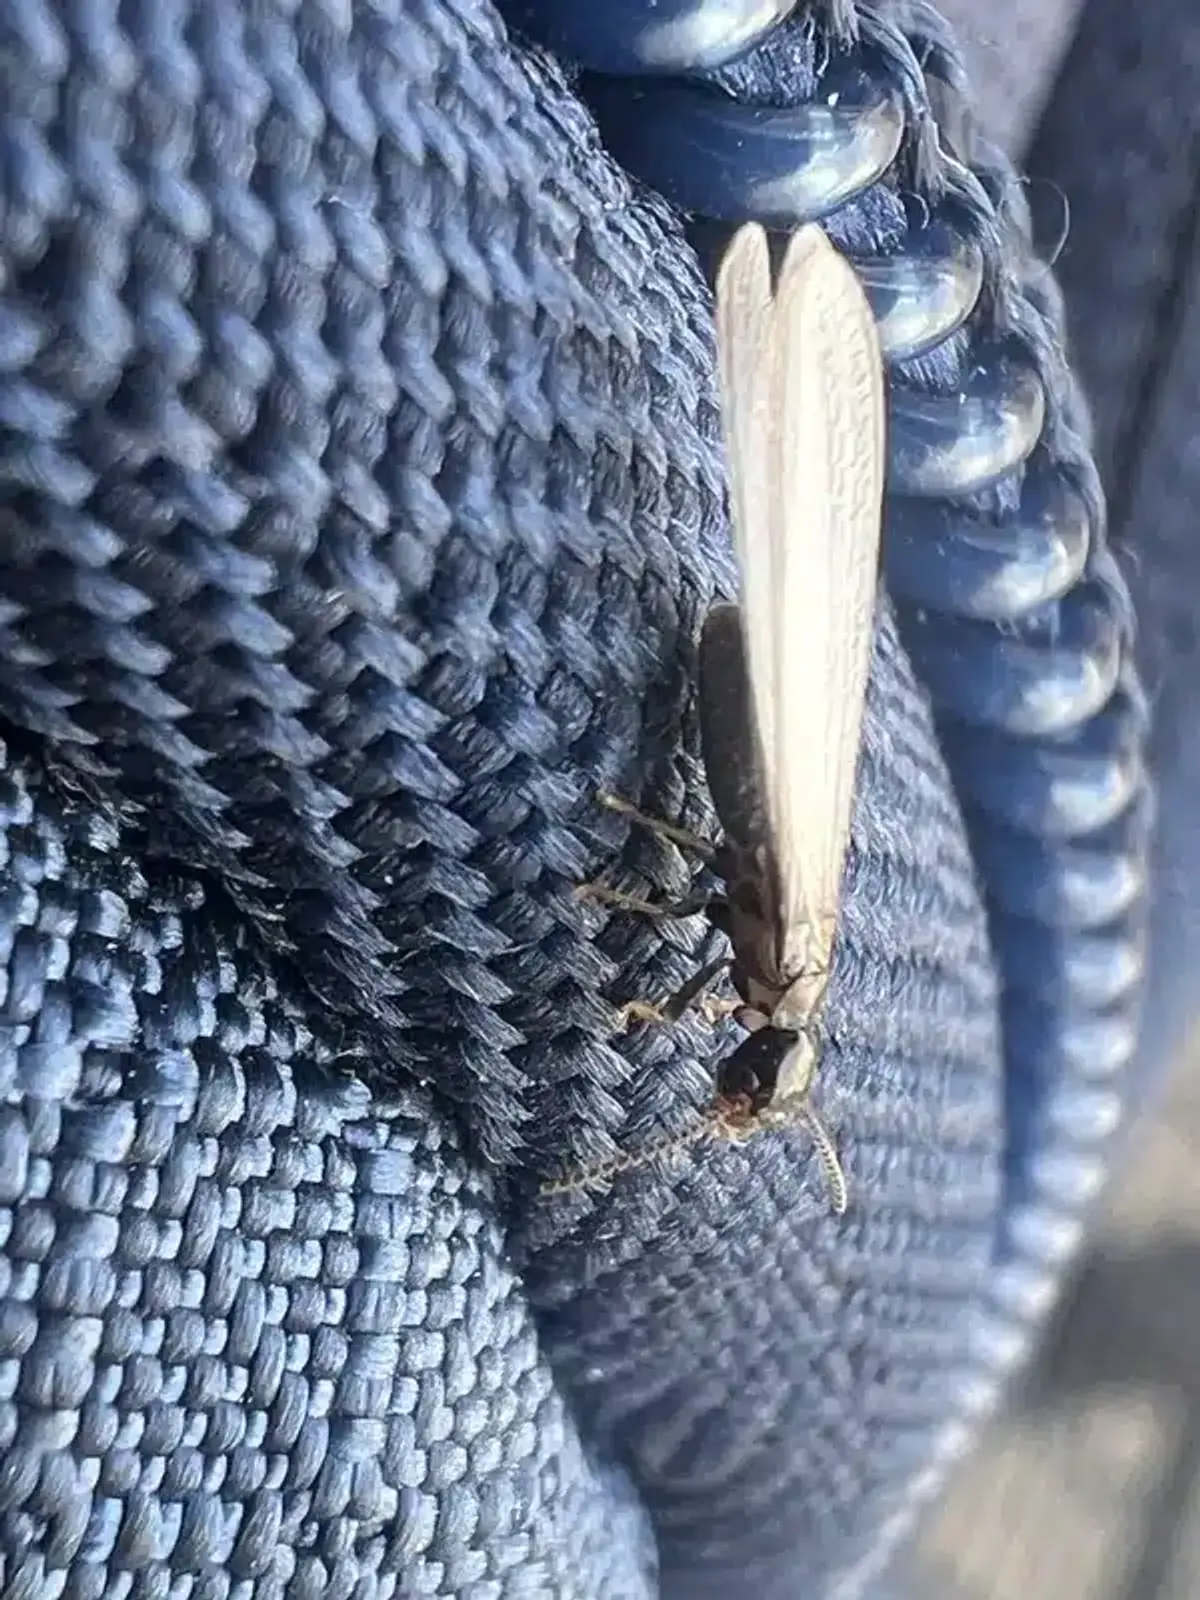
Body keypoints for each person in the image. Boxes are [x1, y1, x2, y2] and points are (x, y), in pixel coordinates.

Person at [0, 2, 1185, 1595]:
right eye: (748, 1067)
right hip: (734, 665)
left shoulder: (777, 979)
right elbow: (689, 868)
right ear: (762, 1036)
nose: (722, 1061)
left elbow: (697, 873)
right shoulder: (768, 968)